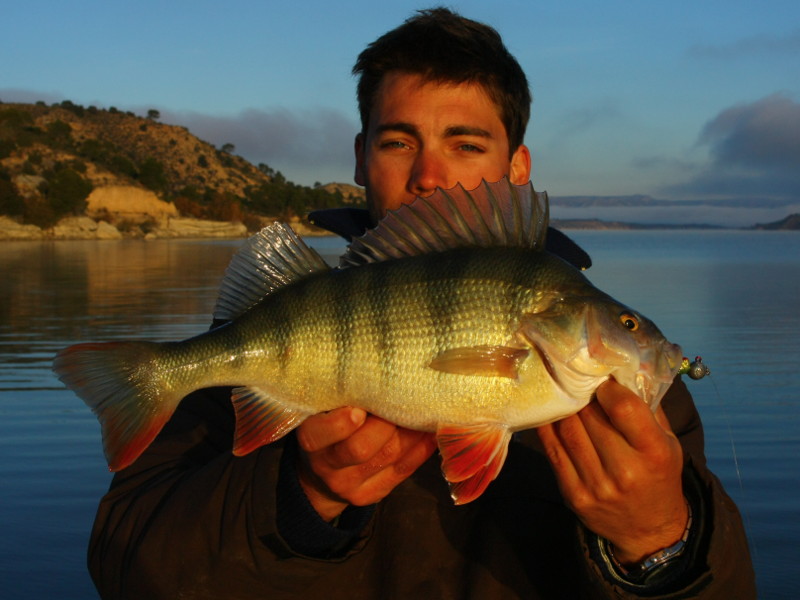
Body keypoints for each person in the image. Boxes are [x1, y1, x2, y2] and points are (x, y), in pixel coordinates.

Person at [88, 8, 755, 599]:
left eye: (466, 144)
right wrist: (300, 495)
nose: (430, 176)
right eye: (398, 142)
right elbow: (129, 566)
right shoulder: (262, 345)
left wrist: (661, 542)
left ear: (517, 167)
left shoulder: (635, 399)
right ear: (360, 157)